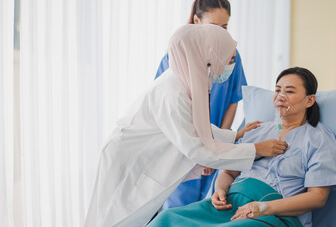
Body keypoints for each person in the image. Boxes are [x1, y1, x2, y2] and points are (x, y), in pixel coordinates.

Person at [84, 24, 288, 227]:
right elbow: (196, 148)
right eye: (230, 59)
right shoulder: (173, 92)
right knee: (115, 220)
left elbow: (196, 125)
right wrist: (255, 148)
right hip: (131, 164)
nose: (231, 66)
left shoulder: (187, 80)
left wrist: (234, 136)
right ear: (211, 55)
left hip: (145, 159)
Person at [149, 67, 336, 227]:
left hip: (274, 215)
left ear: (309, 100)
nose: (280, 96)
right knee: (166, 219)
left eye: (289, 91)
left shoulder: (319, 138)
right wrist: (220, 190)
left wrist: (264, 208)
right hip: (230, 205)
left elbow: (318, 197)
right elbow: (229, 172)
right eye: (277, 90)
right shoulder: (255, 131)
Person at [155, 0, 248, 210]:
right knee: (178, 214)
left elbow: (233, 99)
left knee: (209, 210)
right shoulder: (174, 58)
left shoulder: (231, 54)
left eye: (224, 27)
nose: (220, 33)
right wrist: (200, 149)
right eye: (214, 26)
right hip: (184, 147)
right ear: (197, 22)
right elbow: (171, 114)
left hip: (218, 144)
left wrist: (217, 147)